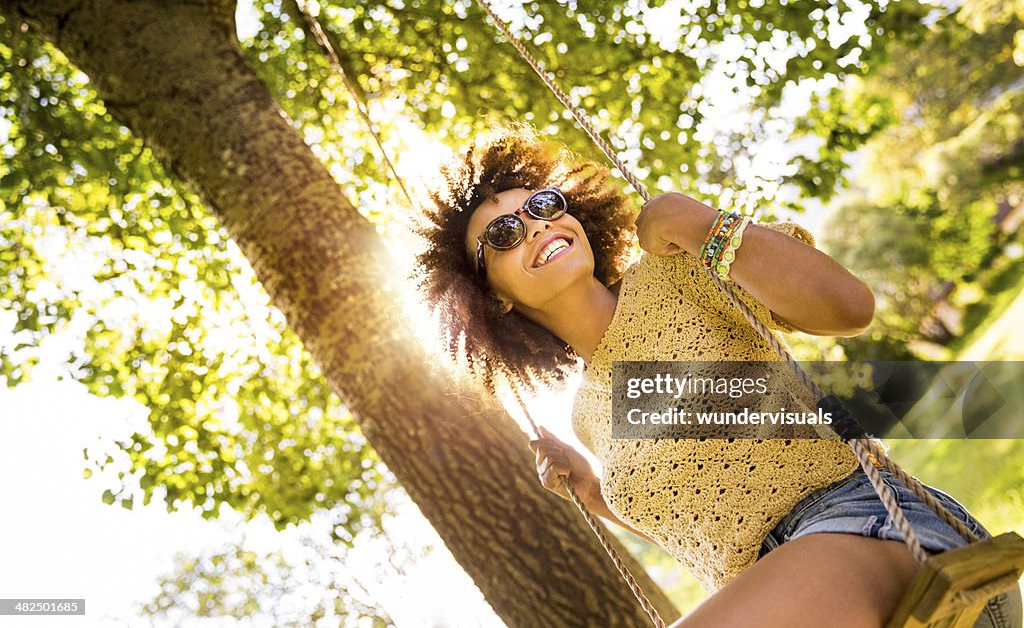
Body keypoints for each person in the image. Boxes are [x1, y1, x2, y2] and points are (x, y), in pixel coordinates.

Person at [412, 123, 1022, 628]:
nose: (537, 225)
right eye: (504, 233)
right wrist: (597, 496)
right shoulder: (586, 416)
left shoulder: (675, 269)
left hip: (875, 528)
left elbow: (848, 308)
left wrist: (699, 224)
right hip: (782, 585)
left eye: (542, 206)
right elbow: (704, 524)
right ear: (492, 299)